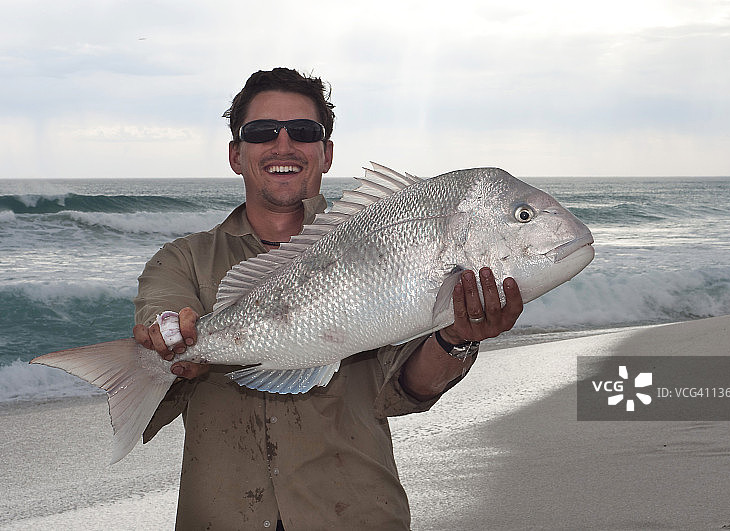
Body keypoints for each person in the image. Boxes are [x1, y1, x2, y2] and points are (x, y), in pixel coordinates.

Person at [132, 67, 523, 531]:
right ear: (236, 154)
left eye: (303, 131)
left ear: (327, 153)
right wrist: (170, 337)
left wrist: (457, 338)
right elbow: (163, 314)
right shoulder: (182, 259)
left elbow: (406, 389)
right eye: (261, 132)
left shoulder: (383, 242)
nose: (283, 145)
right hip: (219, 516)